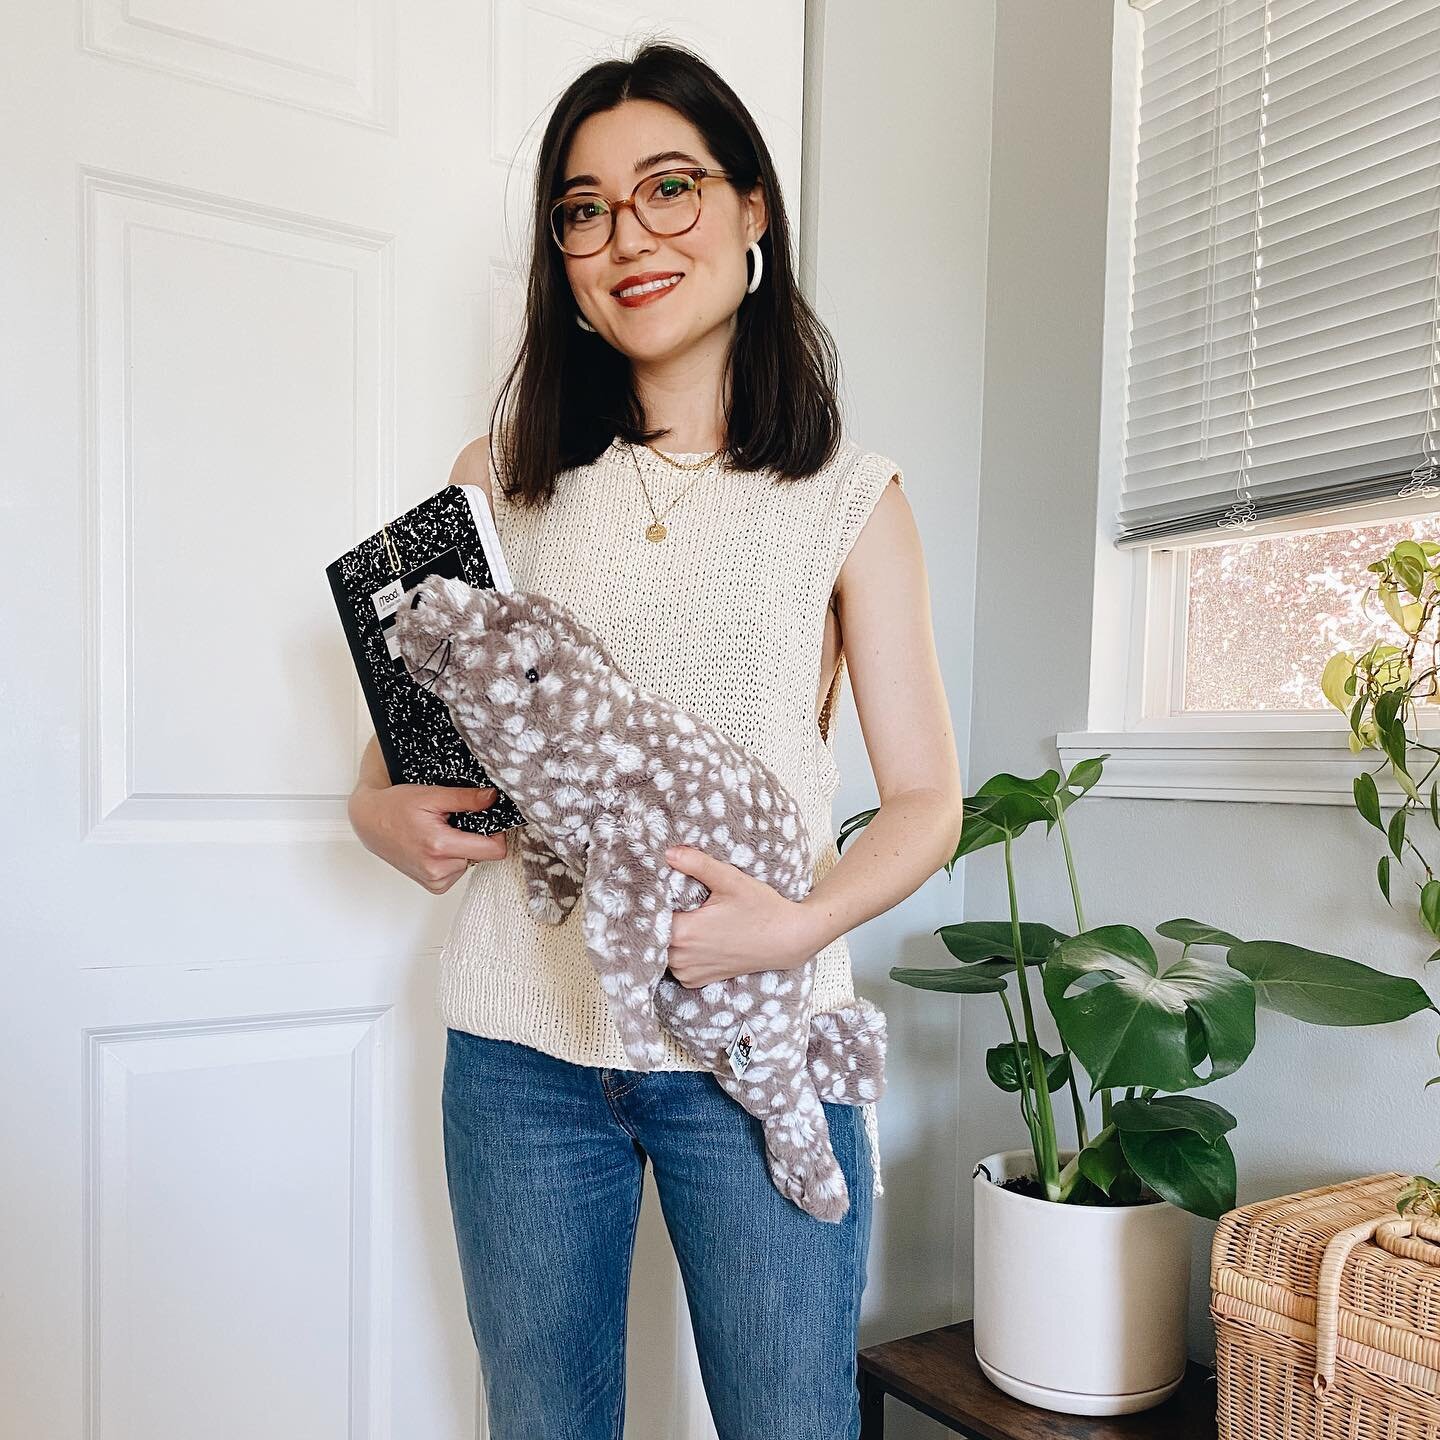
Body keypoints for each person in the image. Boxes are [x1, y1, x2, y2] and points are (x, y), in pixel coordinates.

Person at [347, 39, 964, 1440]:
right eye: (584, 208)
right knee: (542, 1423)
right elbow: (413, 748)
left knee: (789, 1423)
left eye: (669, 188)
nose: (626, 237)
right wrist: (374, 813)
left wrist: (796, 928)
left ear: (754, 211)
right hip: (520, 1051)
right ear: (559, 255)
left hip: (756, 1050)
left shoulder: (849, 499)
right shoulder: (492, 483)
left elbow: (929, 799)